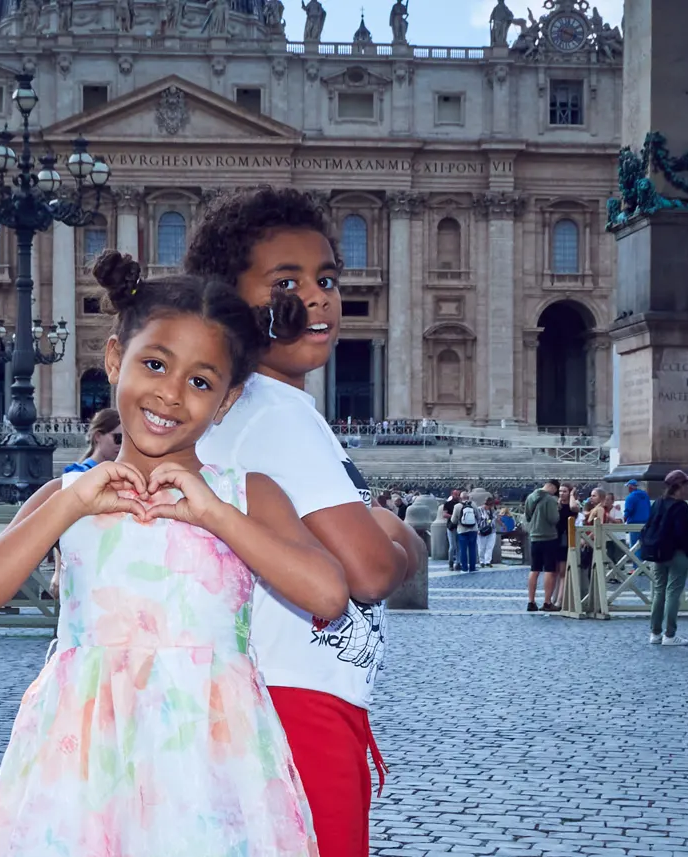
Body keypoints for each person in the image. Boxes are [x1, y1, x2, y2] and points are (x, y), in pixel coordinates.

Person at [0, 257, 344, 857]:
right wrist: (69, 503)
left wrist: (213, 513)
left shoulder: (245, 493)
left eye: (202, 381)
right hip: (81, 760)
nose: (171, 393)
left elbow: (328, 594)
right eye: (155, 364)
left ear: (228, 400)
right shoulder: (66, 496)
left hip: (211, 759)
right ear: (114, 359)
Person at [185, 187, 424, 857]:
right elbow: (371, 570)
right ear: (231, 300)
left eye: (326, 278)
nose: (317, 298)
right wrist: (402, 535)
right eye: (285, 282)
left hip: (254, 698)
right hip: (301, 709)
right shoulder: (279, 413)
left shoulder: (237, 406)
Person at [637, 469, 688, 646]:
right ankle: (670, 635)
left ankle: (655, 633)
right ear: (680, 486)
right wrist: (687, 550)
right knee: (673, 592)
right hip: (676, 552)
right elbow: (682, 532)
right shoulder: (680, 506)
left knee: (659, 591)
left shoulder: (658, 503)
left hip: (657, 552)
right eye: (687, 483)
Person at [522, 480, 563, 612]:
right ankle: (547, 602)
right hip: (548, 537)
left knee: (534, 570)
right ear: (552, 488)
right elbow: (553, 519)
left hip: (534, 536)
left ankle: (531, 601)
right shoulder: (550, 500)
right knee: (549, 570)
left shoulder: (530, 497)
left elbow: (527, 516)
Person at [62, 407, 122, 474]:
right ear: (98, 436)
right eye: (118, 438)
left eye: (127, 441)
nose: (122, 445)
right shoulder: (78, 475)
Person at [451, 490, 480, 572]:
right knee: (472, 549)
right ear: (468, 497)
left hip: (462, 531)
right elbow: (478, 516)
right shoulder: (473, 504)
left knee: (463, 550)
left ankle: (464, 567)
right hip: (473, 530)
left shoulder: (457, 506)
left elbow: (453, 520)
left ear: (461, 498)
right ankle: (472, 567)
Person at [622, 479, 651, 545]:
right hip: (646, 524)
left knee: (634, 545)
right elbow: (649, 508)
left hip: (634, 524)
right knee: (643, 545)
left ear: (630, 487)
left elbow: (628, 511)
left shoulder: (630, 497)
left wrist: (623, 520)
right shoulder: (645, 496)